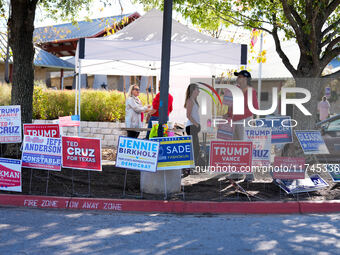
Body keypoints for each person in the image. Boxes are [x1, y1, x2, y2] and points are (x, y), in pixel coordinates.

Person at [228, 70, 259, 140]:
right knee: (234, 145)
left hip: (245, 121)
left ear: (245, 78)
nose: (237, 78)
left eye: (239, 77)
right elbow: (231, 105)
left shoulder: (251, 91)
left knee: (244, 143)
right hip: (234, 121)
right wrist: (228, 114)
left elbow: (255, 108)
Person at [185, 83, 201, 166]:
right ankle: (191, 165)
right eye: (197, 90)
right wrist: (196, 124)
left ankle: (193, 165)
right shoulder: (190, 101)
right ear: (193, 91)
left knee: (196, 147)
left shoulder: (194, 100)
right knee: (194, 147)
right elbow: (188, 115)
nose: (199, 92)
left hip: (194, 126)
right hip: (191, 126)